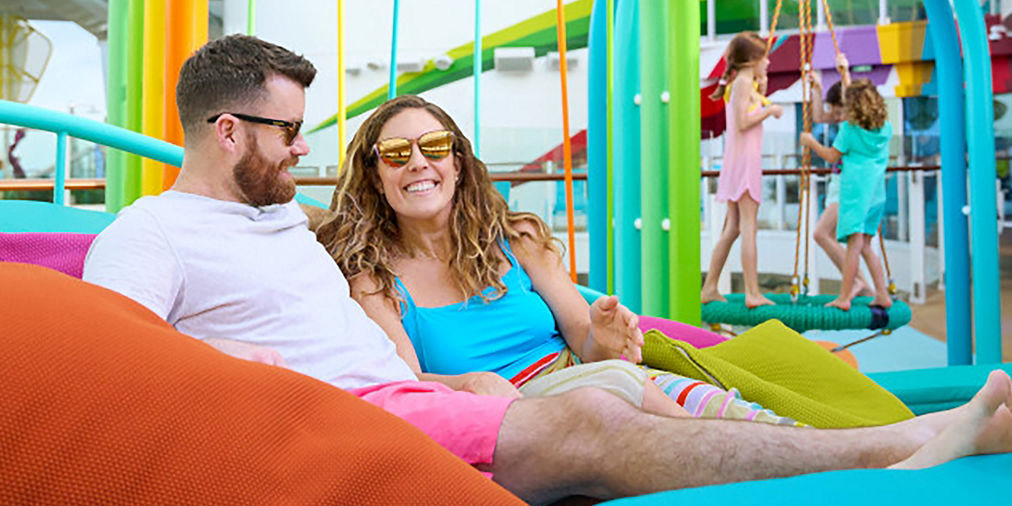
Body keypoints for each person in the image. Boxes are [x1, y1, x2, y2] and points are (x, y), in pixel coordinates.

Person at [82, 34, 1012, 506]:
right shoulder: (150, 233)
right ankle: (907, 449)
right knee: (598, 411)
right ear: (226, 130)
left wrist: (456, 373)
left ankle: (910, 437)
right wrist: (278, 377)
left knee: (626, 381)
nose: (302, 148)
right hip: (356, 422)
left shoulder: (285, 227)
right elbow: (102, 364)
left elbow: (372, 283)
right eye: (289, 131)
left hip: (415, 398)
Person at [319, 94, 794, 424]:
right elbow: (405, 381)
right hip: (522, 414)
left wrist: (602, 336)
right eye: (397, 153)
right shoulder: (375, 280)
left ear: (458, 164)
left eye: (435, 147)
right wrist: (472, 384)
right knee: (622, 392)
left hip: (594, 377)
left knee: (749, 419)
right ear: (375, 175)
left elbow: (587, 346)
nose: (419, 162)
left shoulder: (517, 239)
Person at [701, 32, 784, 308]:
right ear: (751, 60)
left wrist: (764, 91)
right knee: (748, 227)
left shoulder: (744, 82)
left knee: (734, 227)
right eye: (764, 57)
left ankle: (710, 286)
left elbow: (746, 110)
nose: (769, 62)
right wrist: (770, 111)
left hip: (738, 160)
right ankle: (752, 292)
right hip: (745, 162)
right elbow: (742, 122)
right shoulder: (742, 83)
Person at [801, 79, 893, 311]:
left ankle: (844, 297)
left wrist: (811, 142)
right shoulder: (885, 128)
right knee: (865, 246)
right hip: (876, 194)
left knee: (854, 245)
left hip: (855, 192)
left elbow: (832, 156)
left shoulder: (849, 130)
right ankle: (882, 294)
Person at [806, 58, 870, 297]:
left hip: (848, 185)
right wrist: (817, 89)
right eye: (834, 110)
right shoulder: (843, 122)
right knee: (828, 236)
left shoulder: (855, 122)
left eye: (839, 110)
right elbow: (819, 117)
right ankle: (859, 282)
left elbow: (851, 101)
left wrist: (845, 74)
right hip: (840, 182)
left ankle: (858, 281)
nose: (835, 116)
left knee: (821, 234)